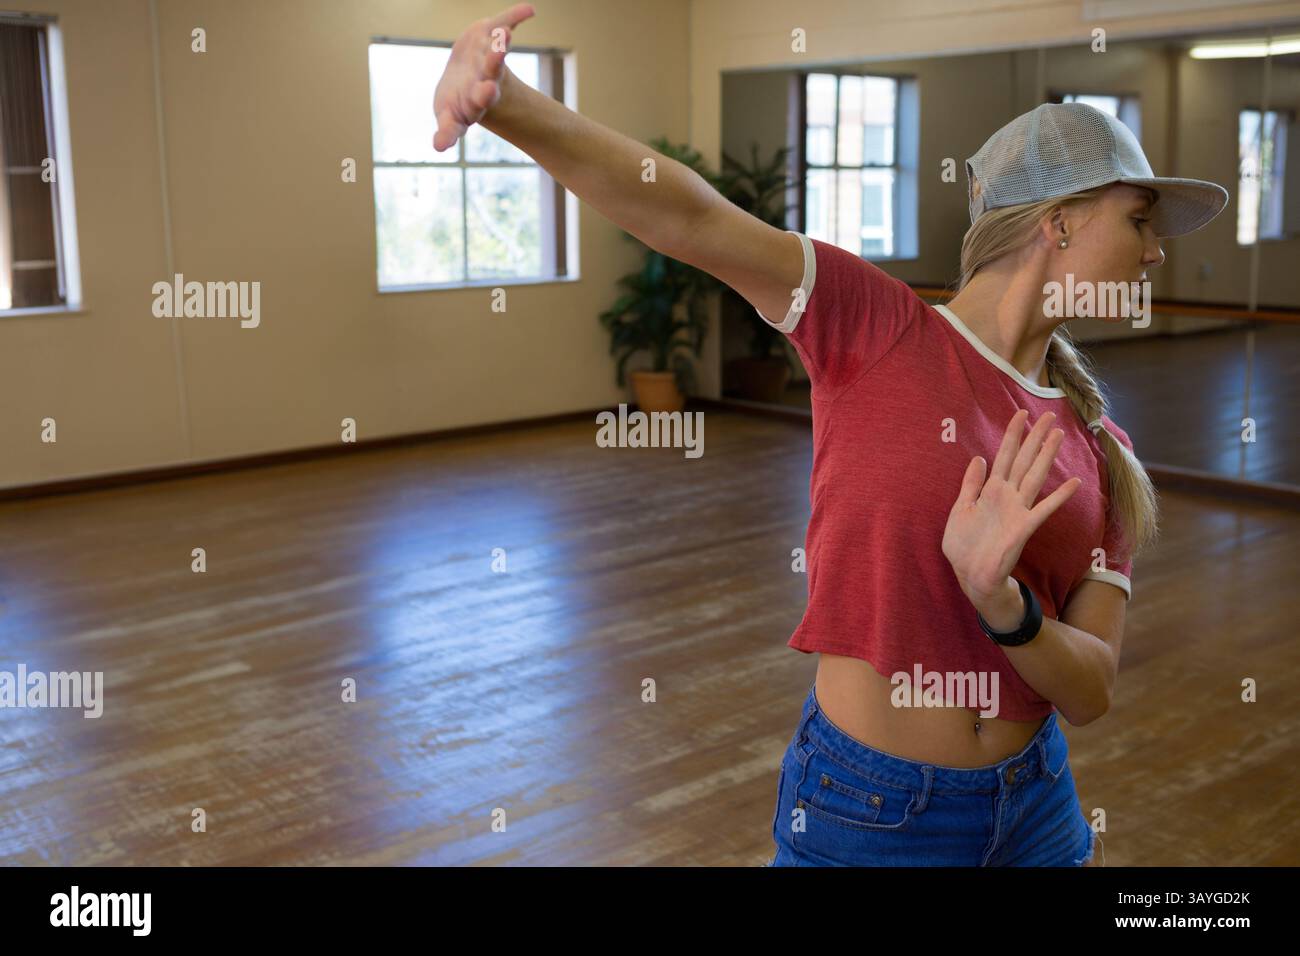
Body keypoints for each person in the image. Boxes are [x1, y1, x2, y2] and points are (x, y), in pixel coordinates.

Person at [432, 4, 1229, 866]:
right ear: (1059, 219)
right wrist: (506, 104)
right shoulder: (877, 328)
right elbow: (689, 216)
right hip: (869, 813)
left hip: (1037, 812)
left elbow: (1093, 689)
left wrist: (1008, 611)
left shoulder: (1103, 445)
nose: (1155, 254)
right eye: (1140, 221)